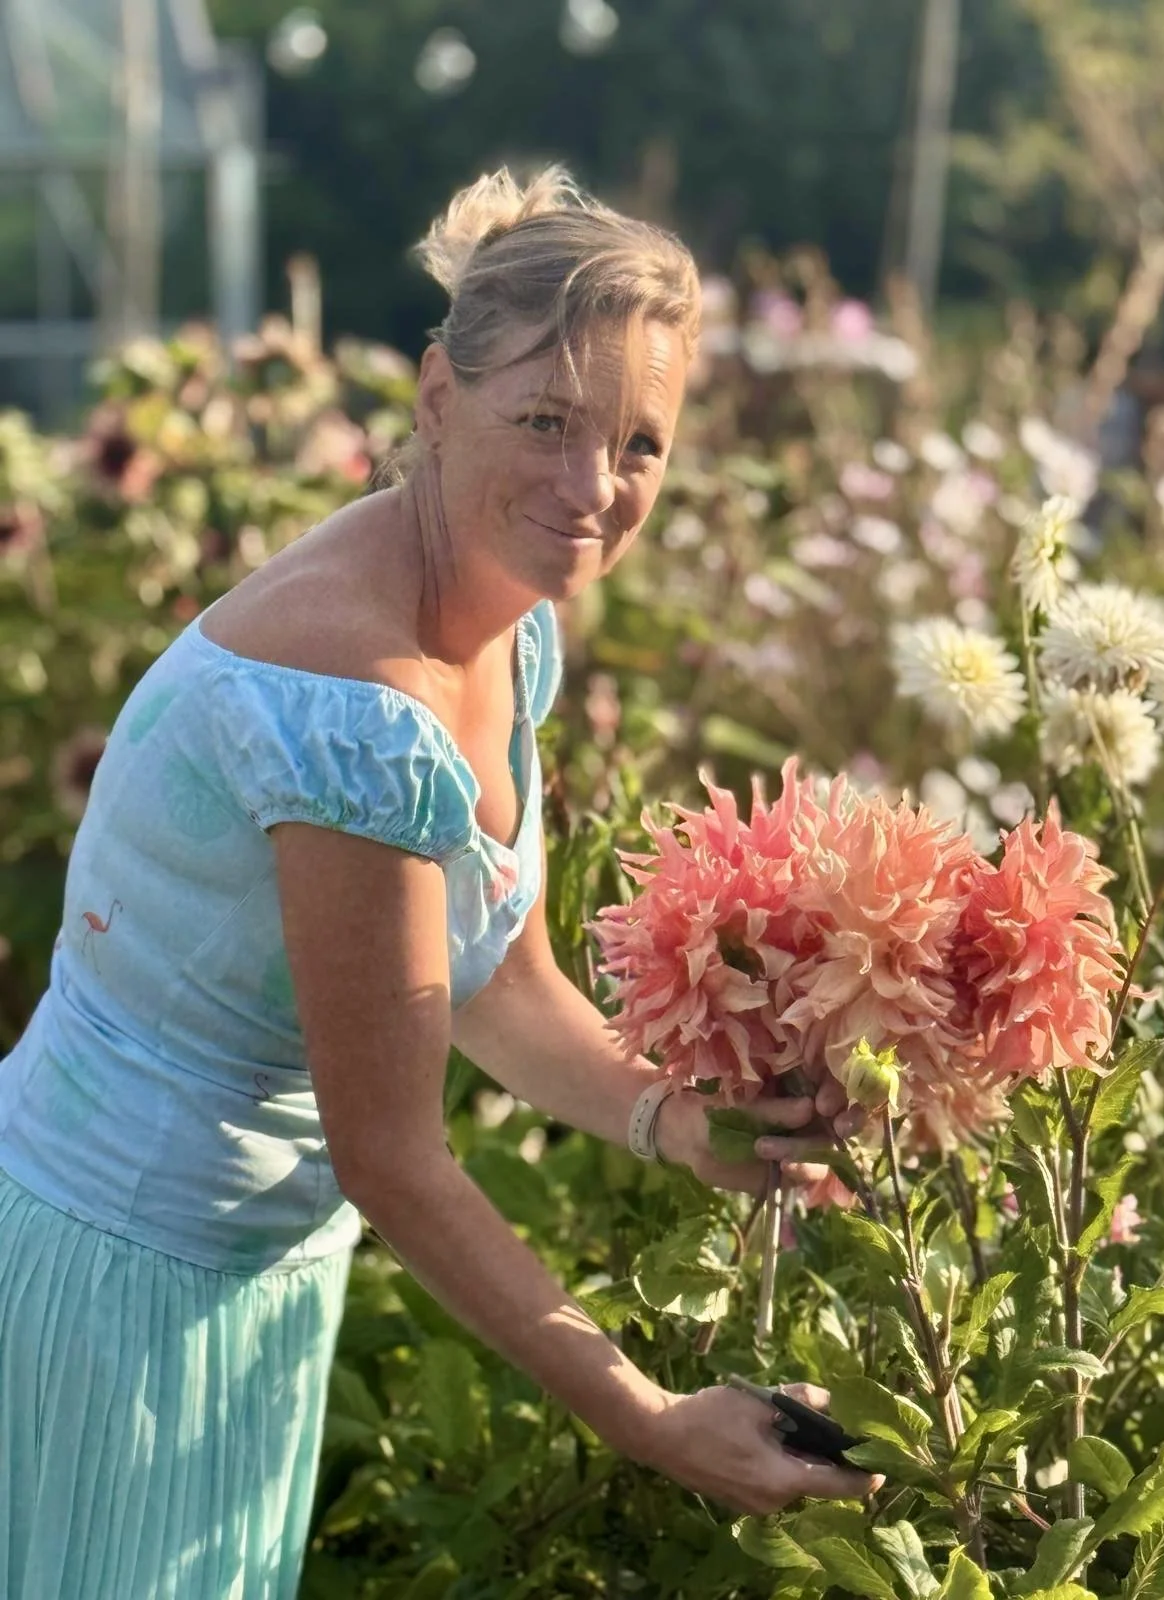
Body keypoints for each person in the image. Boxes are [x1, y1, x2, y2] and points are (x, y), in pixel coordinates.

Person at [0, 167, 878, 1600]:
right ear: (433, 397)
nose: (593, 488)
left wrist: (684, 1125)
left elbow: (497, 985)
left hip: (252, 1282)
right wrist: (647, 1418)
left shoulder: (501, 624)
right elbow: (391, 1158)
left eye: (638, 443)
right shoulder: (354, 699)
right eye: (546, 421)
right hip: (118, 1285)